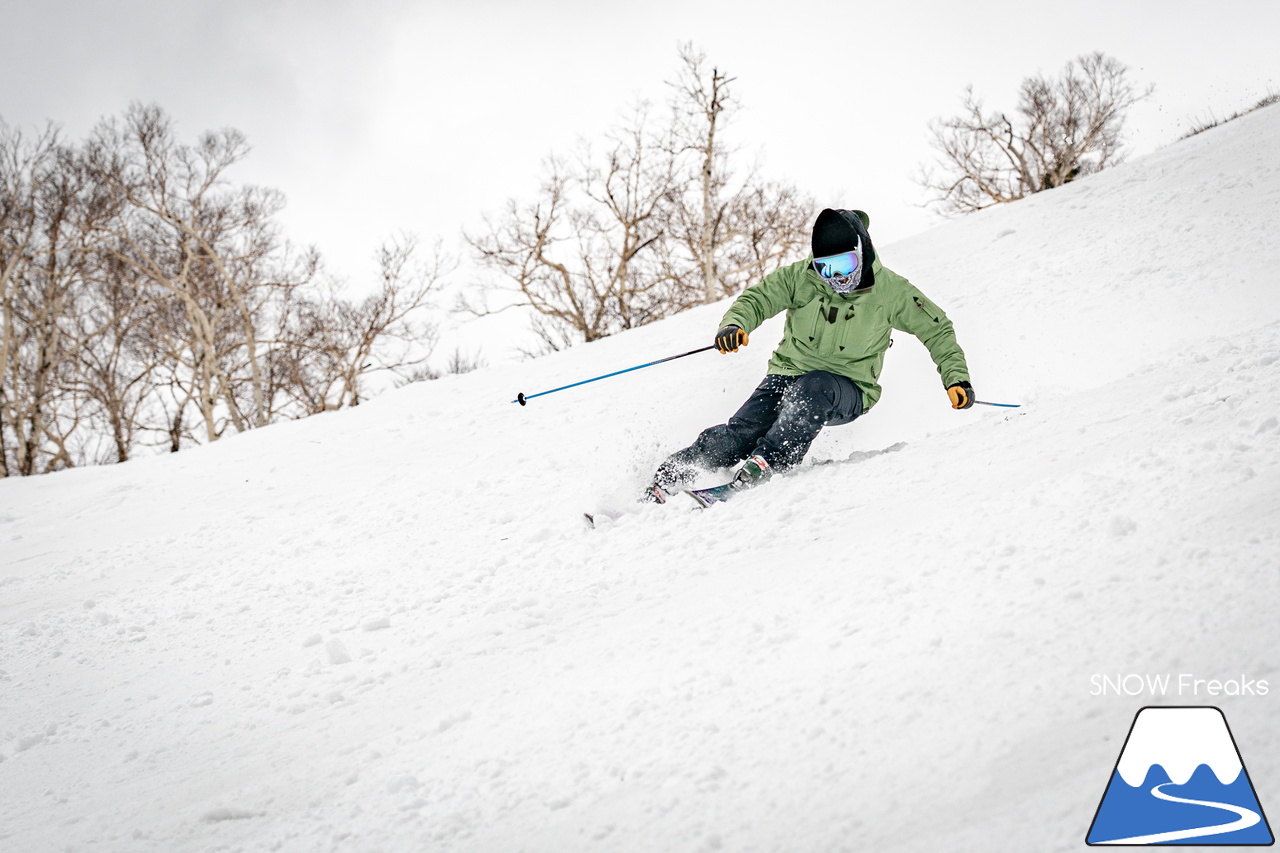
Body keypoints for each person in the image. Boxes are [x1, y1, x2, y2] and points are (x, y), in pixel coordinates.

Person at [645, 208, 974, 502]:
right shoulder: (800, 278)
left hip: (849, 389)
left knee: (813, 387)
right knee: (742, 432)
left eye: (845, 264)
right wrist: (734, 324)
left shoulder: (891, 292)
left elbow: (937, 329)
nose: (836, 277)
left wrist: (955, 377)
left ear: (863, 253)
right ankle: (673, 474)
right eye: (826, 267)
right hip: (787, 373)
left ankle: (768, 463)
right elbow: (757, 299)